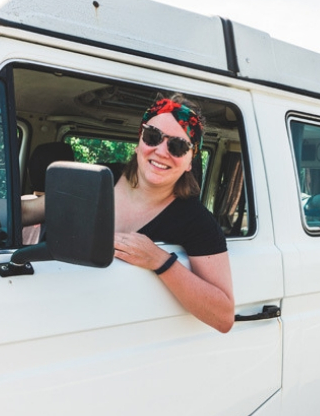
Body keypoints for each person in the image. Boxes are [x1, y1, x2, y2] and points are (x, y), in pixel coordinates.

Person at [22, 95, 235, 333]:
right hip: (54, 310)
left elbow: (224, 316)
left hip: (120, 333)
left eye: (177, 146)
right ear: (139, 141)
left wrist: (159, 260)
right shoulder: (100, 178)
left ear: (189, 161)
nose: (161, 151)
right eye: (153, 136)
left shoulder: (196, 222)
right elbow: (28, 211)